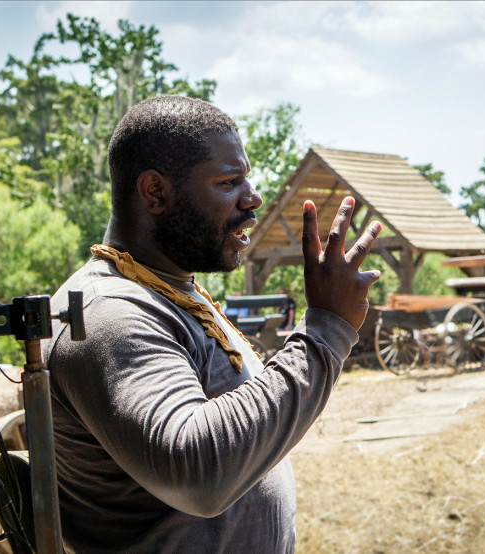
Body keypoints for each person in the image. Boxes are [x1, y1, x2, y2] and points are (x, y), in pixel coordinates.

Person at [42, 95, 380, 552]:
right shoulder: (108, 312)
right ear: (155, 193)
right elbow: (197, 472)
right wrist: (325, 331)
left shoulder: (174, 290)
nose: (253, 197)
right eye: (229, 182)